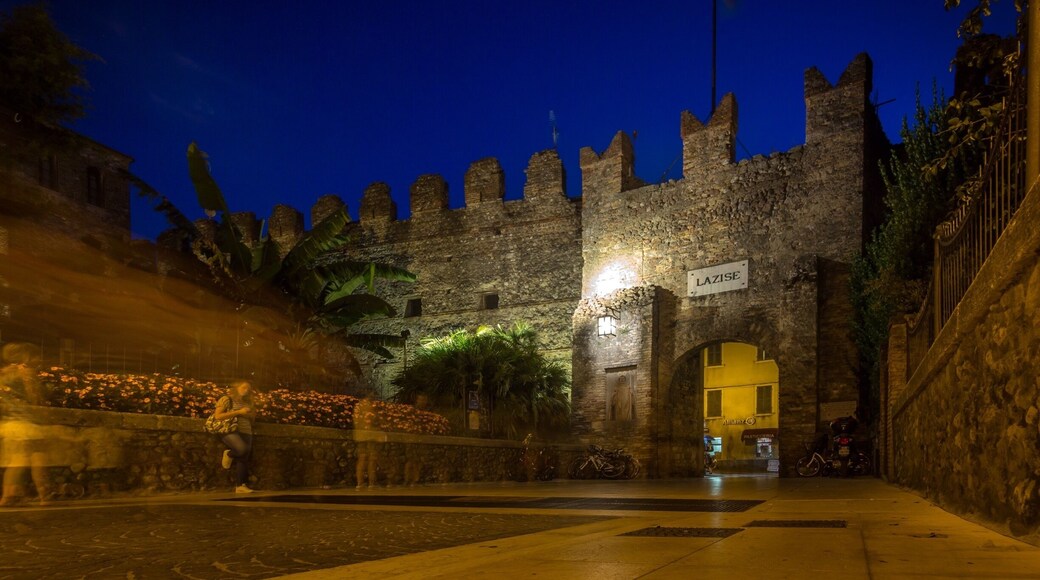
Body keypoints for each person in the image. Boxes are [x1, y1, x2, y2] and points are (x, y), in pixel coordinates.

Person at [0, 343, 51, 506]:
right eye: (35, 356)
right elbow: (35, 399)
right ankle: (45, 495)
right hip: (30, 424)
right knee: (38, 459)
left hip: (11, 425)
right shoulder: (26, 373)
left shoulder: (4, 374)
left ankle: (8, 495)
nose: (39, 359)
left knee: (16, 462)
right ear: (26, 356)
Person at [213, 381, 256, 493]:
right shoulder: (227, 399)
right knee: (242, 449)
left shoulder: (248, 402)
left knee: (244, 458)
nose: (246, 390)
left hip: (246, 430)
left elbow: (252, 419)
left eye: (248, 389)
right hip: (230, 429)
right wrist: (239, 412)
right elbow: (218, 416)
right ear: (237, 388)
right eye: (243, 387)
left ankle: (240, 485)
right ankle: (229, 454)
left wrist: (250, 415)